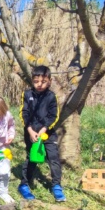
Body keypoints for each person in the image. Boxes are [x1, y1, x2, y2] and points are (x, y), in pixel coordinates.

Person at [18, 65, 65, 202]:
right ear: (32, 81)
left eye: (43, 82)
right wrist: (30, 130)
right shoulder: (27, 95)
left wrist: (44, 129)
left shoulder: (51, 97)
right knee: (31, 158)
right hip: (31, 133)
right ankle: (24, 184)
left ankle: (56, 185)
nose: (39, 84)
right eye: (36, 81)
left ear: (50, 81)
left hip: (47, 133)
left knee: (53, 158)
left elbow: (54, 116)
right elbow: (23, 114)